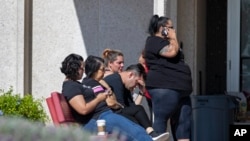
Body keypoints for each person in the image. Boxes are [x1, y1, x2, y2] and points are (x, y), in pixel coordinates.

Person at [60, 53, 153, 141]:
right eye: (81, 67)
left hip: (103, 116)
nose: (83, 70)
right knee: (136, 133)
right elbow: (83, 109)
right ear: (74, 68)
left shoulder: (75, 84)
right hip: (98, 119)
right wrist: (99, 99)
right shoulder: (70, 87)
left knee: (137, 130)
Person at [144, 15, 193, 141]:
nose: (174, 30)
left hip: (181, 90)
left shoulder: (168, 42)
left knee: (184, 124)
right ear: (162, 29)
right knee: (161, 122)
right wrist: (173, 37)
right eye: (171, 28)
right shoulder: (153, 41)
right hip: (165, 87)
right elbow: (171, 52)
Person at [104, 63, 169, 141]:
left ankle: (150, 134)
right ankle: (150, 134)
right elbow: (120, 108)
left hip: (116, 114)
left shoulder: (125, 85)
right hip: (107, 116)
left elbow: (131, 107)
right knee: (138, 110)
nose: (136, 86)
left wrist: (142, 92)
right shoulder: (115, 80)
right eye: (137, 82)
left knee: (137, 110)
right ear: (131, 75)